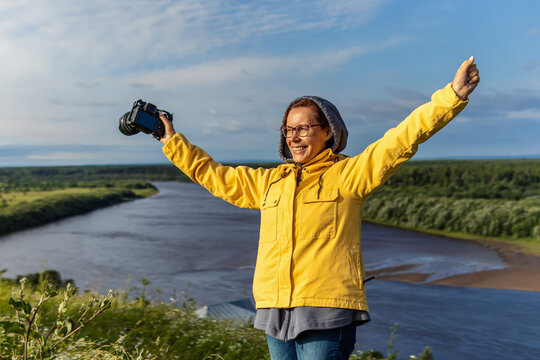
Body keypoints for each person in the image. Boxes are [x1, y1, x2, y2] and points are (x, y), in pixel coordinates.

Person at [158, 57, 480, 359]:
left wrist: (451, 96)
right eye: (288, 130)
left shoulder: (349, 175)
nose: (294, 138)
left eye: (303, 129)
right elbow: (215, 175)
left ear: (328, 132)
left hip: (327, 308)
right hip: (274, 308)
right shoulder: (270, 182)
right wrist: (171, 140)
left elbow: (400, 139)